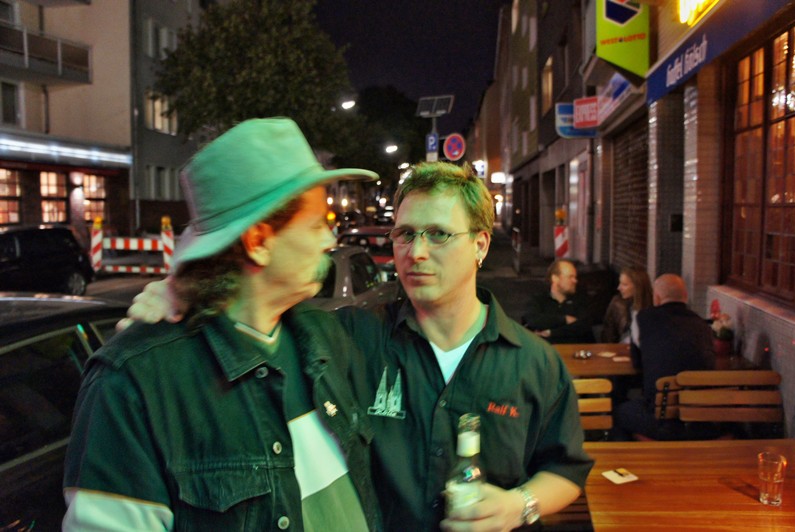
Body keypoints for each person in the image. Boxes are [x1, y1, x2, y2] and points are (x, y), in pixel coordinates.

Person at [124, 162, 594, 531]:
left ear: (481, 245)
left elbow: (566, 470)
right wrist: (187, 293)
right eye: (405, 234)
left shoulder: (534, 362)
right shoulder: (350, 338)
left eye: (438, 234)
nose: (416, 252)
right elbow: (257, 308)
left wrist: (519, 504)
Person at [63, 118, 382, 531]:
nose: (330, 239)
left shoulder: (325, 338)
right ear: (259, 241)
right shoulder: (133, 384)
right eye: (317, 223)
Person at [611, 273, 715, 440]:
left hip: (661, 421)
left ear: (657, 298)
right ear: (685, 297)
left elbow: (637, 364)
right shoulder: (702, 325)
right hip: (699, 423)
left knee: (618, 411)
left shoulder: (643, 318)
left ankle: (628, 454)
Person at [521, 259, 595, 344]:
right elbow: (533, 320)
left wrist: (550, 332)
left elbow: (583, 326)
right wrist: (564, 319)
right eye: (570, 277)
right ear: (555, 278)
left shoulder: (580, 300)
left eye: (575, 277)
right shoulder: (538, 300)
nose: (575, 281)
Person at [601, 265, 653, 343]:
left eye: (624, 284)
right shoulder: (617, 303)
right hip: (622, 347)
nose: (619, 288)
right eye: (620, 283)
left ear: (637, 286)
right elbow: (608, 334)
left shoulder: (653, 305)